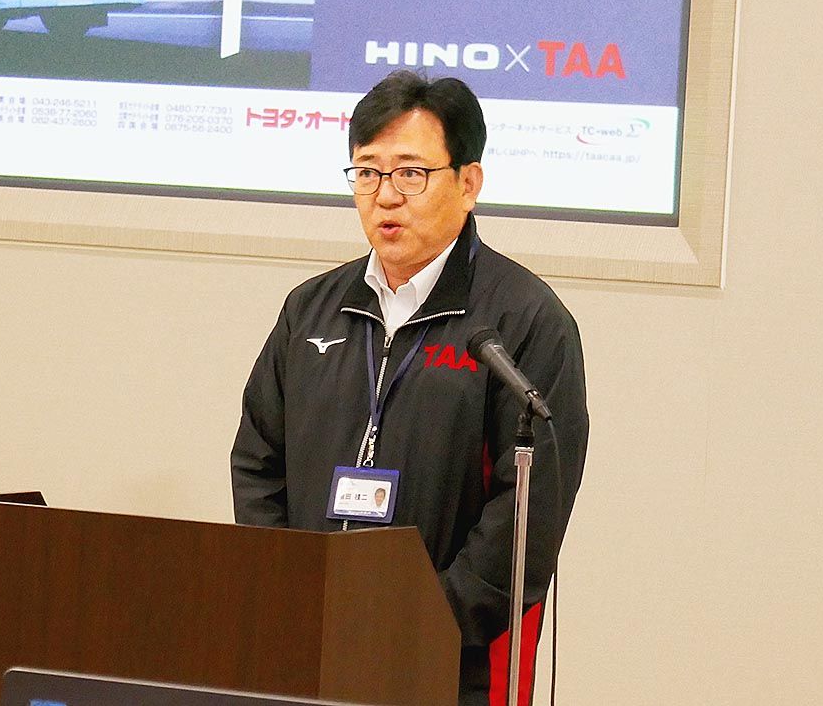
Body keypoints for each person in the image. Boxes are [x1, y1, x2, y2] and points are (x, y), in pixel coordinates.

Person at [230, 70, 589, 705]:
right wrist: (290, 595)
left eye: (410, 174)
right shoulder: (310, 310)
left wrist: (422, 622)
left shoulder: (524, 321)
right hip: (309, 648)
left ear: (469, 183)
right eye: (368, 172)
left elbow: (528, 514)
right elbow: (258, 462)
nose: (386, 196)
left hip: (448, 660)